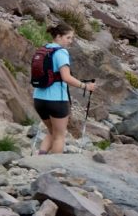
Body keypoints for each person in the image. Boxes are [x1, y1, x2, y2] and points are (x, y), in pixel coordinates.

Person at [33, 22, 96, 154]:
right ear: (59, 36)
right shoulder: (61, 52)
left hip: (38, 98)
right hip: (56, 99)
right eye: (68, 38)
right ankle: (56, 168)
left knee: (52, 131)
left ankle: (39, 160)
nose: (70, 41)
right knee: (60, 136)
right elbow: (66, 77)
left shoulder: (44, 50)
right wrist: (86, 86)